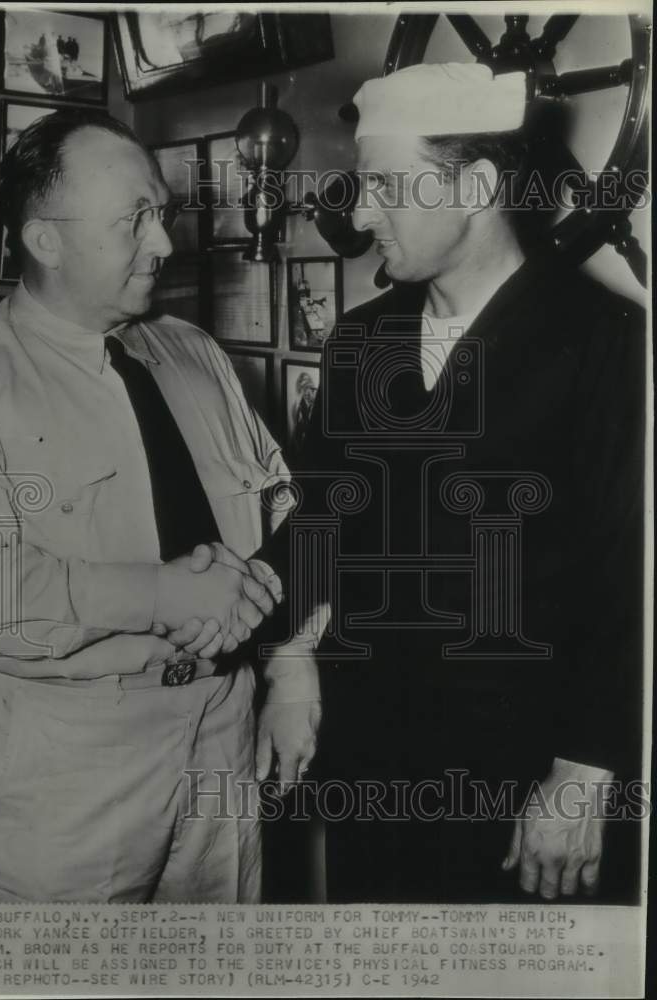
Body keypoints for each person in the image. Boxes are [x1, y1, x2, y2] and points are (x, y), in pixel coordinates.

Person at [0, 108, 313, 904]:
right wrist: (161, 592)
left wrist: (293, 676)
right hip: (58, 777)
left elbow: (287, 516)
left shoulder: (194, 353)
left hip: (223, 740)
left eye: (160, 214)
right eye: (134, 221)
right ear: (44, 239)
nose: (163, 243)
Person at [261, 63, 645, 903]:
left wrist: (586, 769)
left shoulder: (608, 344)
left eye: (386, 188)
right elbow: (319, 523)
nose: (361, 216)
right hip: (374, 769)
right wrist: (288, 658)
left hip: (523, 792)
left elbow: (630, 579)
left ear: (474, 186)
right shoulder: (364, 339)